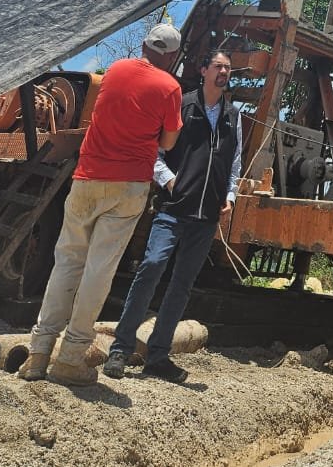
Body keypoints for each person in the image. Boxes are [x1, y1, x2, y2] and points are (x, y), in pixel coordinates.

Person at [18, 23, 183, 386]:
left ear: (143, 46)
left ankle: (37, 354)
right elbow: (169, 142)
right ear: (171, 57)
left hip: (86, 177)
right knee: (99, 270)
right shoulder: (170, 87)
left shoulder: (116, 71)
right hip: (127, 185)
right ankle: (71, 358)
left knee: (67, 262)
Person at [102, 48, 242, 384]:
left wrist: (231, 195)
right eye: (218, 66)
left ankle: (158, 357)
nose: (224, 72)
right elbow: (156, 150)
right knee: (151, 268)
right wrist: (169, 180)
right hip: (174, 209)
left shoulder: (232, 116)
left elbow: (235, 160)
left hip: (206, 215)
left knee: (181, 285)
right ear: (204, 70)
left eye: (228, 68)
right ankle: (120, 349)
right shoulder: (182, 105)